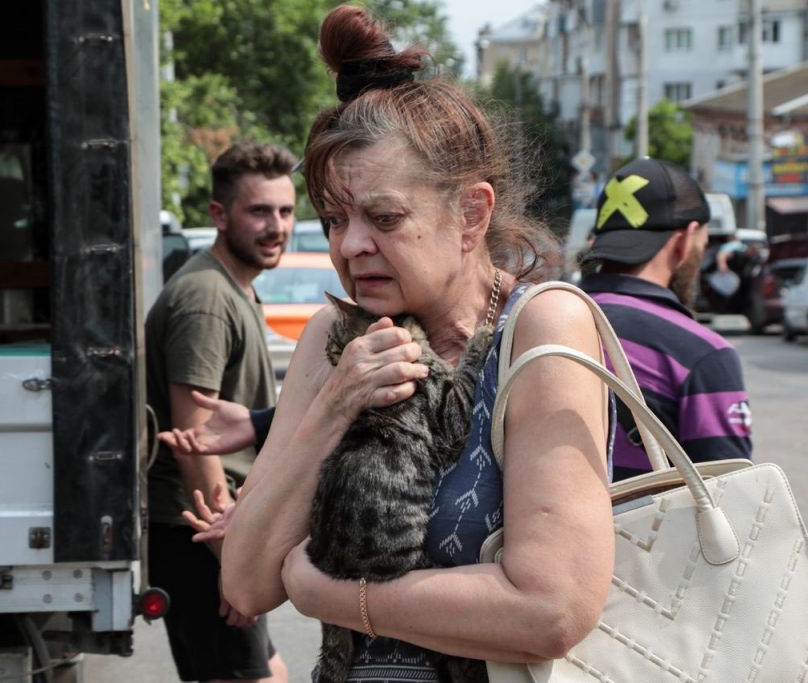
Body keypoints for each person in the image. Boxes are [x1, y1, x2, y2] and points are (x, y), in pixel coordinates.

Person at [167, 6, 617, 681]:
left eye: (384, 218)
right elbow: (246, 582)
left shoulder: (540, 327)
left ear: (471, 213)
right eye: (335, 219)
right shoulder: (335, 333)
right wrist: (333, 403)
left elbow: (551, 607)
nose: (349, 247)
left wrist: (337, 598)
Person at [145, 142, 296, 683]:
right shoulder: (206, 299)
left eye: (284, 210)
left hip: (220, 528)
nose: (275, 226)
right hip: (197, 531)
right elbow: (195, 439)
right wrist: (233, 561)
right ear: (218, 214)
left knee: (268, 672)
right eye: (259, 211)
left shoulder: (235, 288)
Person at [579, 157, 752, 481]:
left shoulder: (530, 322)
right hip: (640, 532)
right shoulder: (701, 353)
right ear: (686, 239)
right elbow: (728, 495)